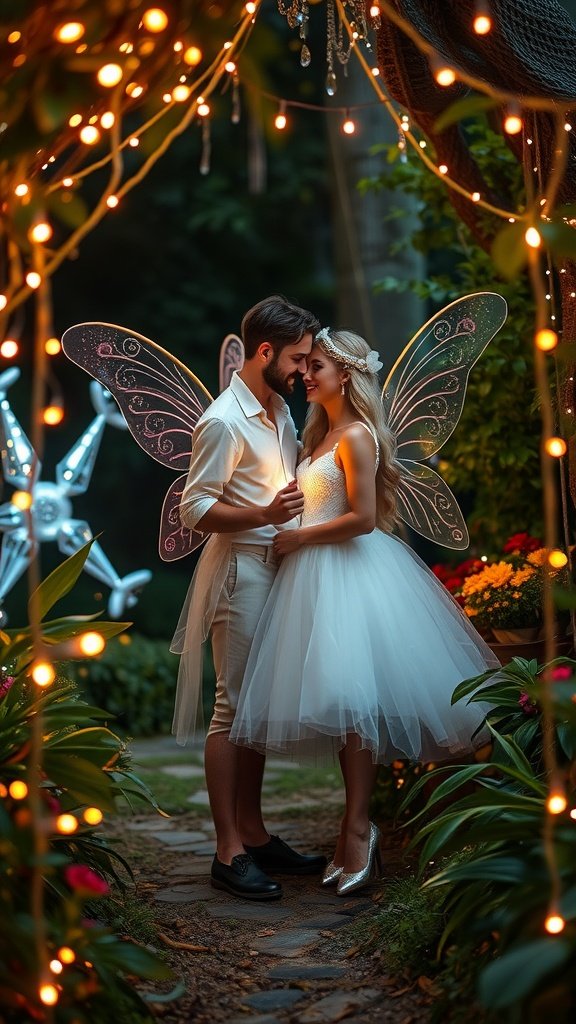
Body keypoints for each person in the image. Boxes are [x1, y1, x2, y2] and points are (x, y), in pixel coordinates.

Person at [230, 327, 500, 896]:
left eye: (317, 367)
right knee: (342, 704)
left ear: (347, 375)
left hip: (348, 572)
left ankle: (357, 829)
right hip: (312, 577)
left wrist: (299, 538)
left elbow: (363, 517)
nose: (306, 375)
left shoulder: (356, 436)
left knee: (357, 707)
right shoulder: (318, 437)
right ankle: (350, 832)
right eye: (306, 366)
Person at [172, 295, 326, 901]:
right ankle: (227, 851)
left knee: (257, 706)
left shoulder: (280, 410)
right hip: (241, 572)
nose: (304, 370)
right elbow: (194, 509)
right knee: (232, 709)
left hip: (279, 566)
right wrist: (264, 514)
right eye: (298, 358)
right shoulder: (223, 421)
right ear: (265, 351)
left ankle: (256, 834)